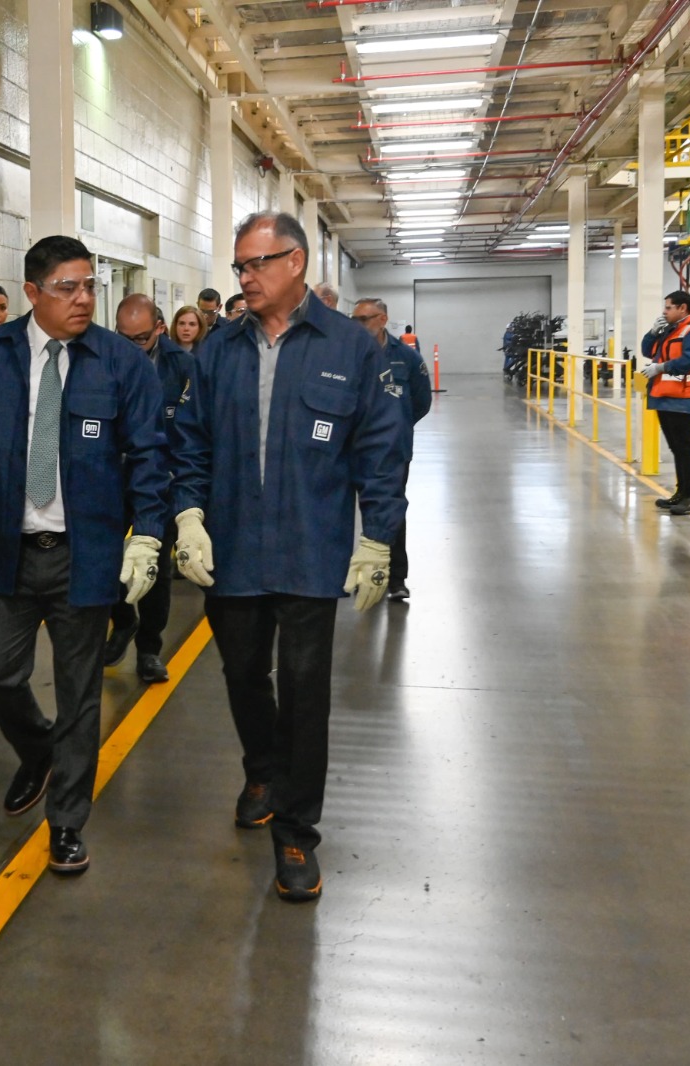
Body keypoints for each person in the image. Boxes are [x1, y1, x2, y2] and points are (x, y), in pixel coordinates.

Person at [172, 212, 406, 902]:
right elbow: (191, 441)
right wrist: (188, 514)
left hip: (310, 549)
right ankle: (262, 770)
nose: (244, 278)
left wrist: (378, 537)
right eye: (239, 267)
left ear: (295, 262)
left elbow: (381, 449)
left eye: (256, 263)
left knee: (305, 692)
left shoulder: (349, 346)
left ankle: (297, 830)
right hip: (234, 549)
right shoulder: (218, 350)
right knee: (243, 674)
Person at [0, 236, 169, 875]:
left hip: (84, 555)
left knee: (80, 694)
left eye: (90, 285)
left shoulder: (121, 363)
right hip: (6, 551)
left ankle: (66, 821)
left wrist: (148, 534)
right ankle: (39, 750)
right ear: (33, 292)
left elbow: (150, 454)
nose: (84, 298)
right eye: (68, 287)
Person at [105, 293, 195, 683]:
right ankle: (123, 620)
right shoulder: (101, 359)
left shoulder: (182, 366)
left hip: (161, 479)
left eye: (140, 339)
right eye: (123, 337)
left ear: (159, 328)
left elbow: (192, 429)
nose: (132, 347)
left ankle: (149, 649)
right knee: (103, 558)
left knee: (156, 567)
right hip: (113, 477)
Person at [352, 299, 431, 602]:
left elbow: (421, 402)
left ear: (382, 319)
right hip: (353, 447)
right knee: (351, 511)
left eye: (364, 319)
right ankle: (362, 573)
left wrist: (395, 428)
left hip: (392, 451)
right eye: (355, 320)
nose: (358, 326)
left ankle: (395, 579)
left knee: (391, 511)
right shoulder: (347, 354)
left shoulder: (407, 357)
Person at [639, 289, 690, 516]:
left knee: (685, 448)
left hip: (684, 398)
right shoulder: (671, 331)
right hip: (665, 397)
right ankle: (681, 493)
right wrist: (653, 333)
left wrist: (661, 368)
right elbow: (648, 351)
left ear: (682, 308)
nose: (664, 311)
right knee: (677, 448)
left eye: (668, 307)